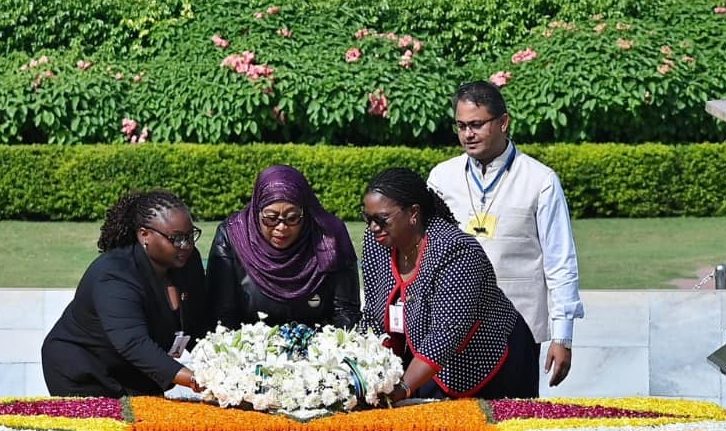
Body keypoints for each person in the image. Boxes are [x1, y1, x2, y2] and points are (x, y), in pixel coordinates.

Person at [427, 81, 584, 392]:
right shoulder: (442, 178)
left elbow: (560, 262)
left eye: (476, 124)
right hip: (455, 329)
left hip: (518, 331)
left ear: (503, 122)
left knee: (515, 417)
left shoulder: (540, 180)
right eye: (461, 126)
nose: (468, 134)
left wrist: (562, 337)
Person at [358, 168, 539, 401]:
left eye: (382, 219)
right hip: (424, 361)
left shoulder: (455, 250)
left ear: (413, 213)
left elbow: (447, 332)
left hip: (486, 362)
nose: (374, 227)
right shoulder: (377, 243)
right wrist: (361, 372)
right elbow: (373, 313)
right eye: (368, 219)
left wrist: (401, 388)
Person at [42, 190, 208, 397]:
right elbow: (133, 343)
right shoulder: (114, 274)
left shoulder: (188, 262)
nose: (186, 245)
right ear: (144, 235)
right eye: (176, 238)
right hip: (84, 373)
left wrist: (227, 366)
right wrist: (195, 380)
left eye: (190, 236)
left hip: (135, 372)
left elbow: (198, 323)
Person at [207, 165, 359, 329]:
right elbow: (222, 316)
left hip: (319, 341)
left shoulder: (329, 237)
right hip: (248, 342)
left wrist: (328, 343)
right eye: (271, 218)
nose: (282, 228)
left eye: (292, 218)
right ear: (256, 212)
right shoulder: (232, 237)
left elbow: (346, 313)